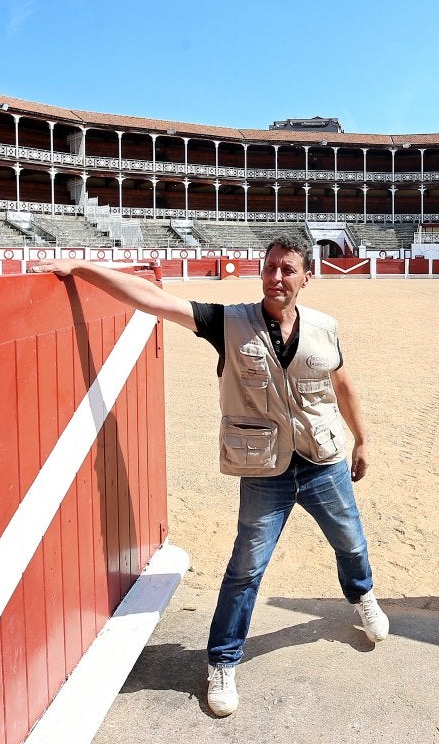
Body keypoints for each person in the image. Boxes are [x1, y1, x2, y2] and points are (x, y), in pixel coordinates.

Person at [31, 235, 388, 718]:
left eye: (287, 270)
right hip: (265, 470)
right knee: (246, 569)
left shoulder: (324, 327)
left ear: (307, 277)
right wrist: (80, 266)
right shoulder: (228, 322)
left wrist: (362, 438)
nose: (276, 278)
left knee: (350, 541)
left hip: (323, 459)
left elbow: (342, 386)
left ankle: (361, 594)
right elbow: (154, 300)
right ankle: (222, 661)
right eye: (270, 268)